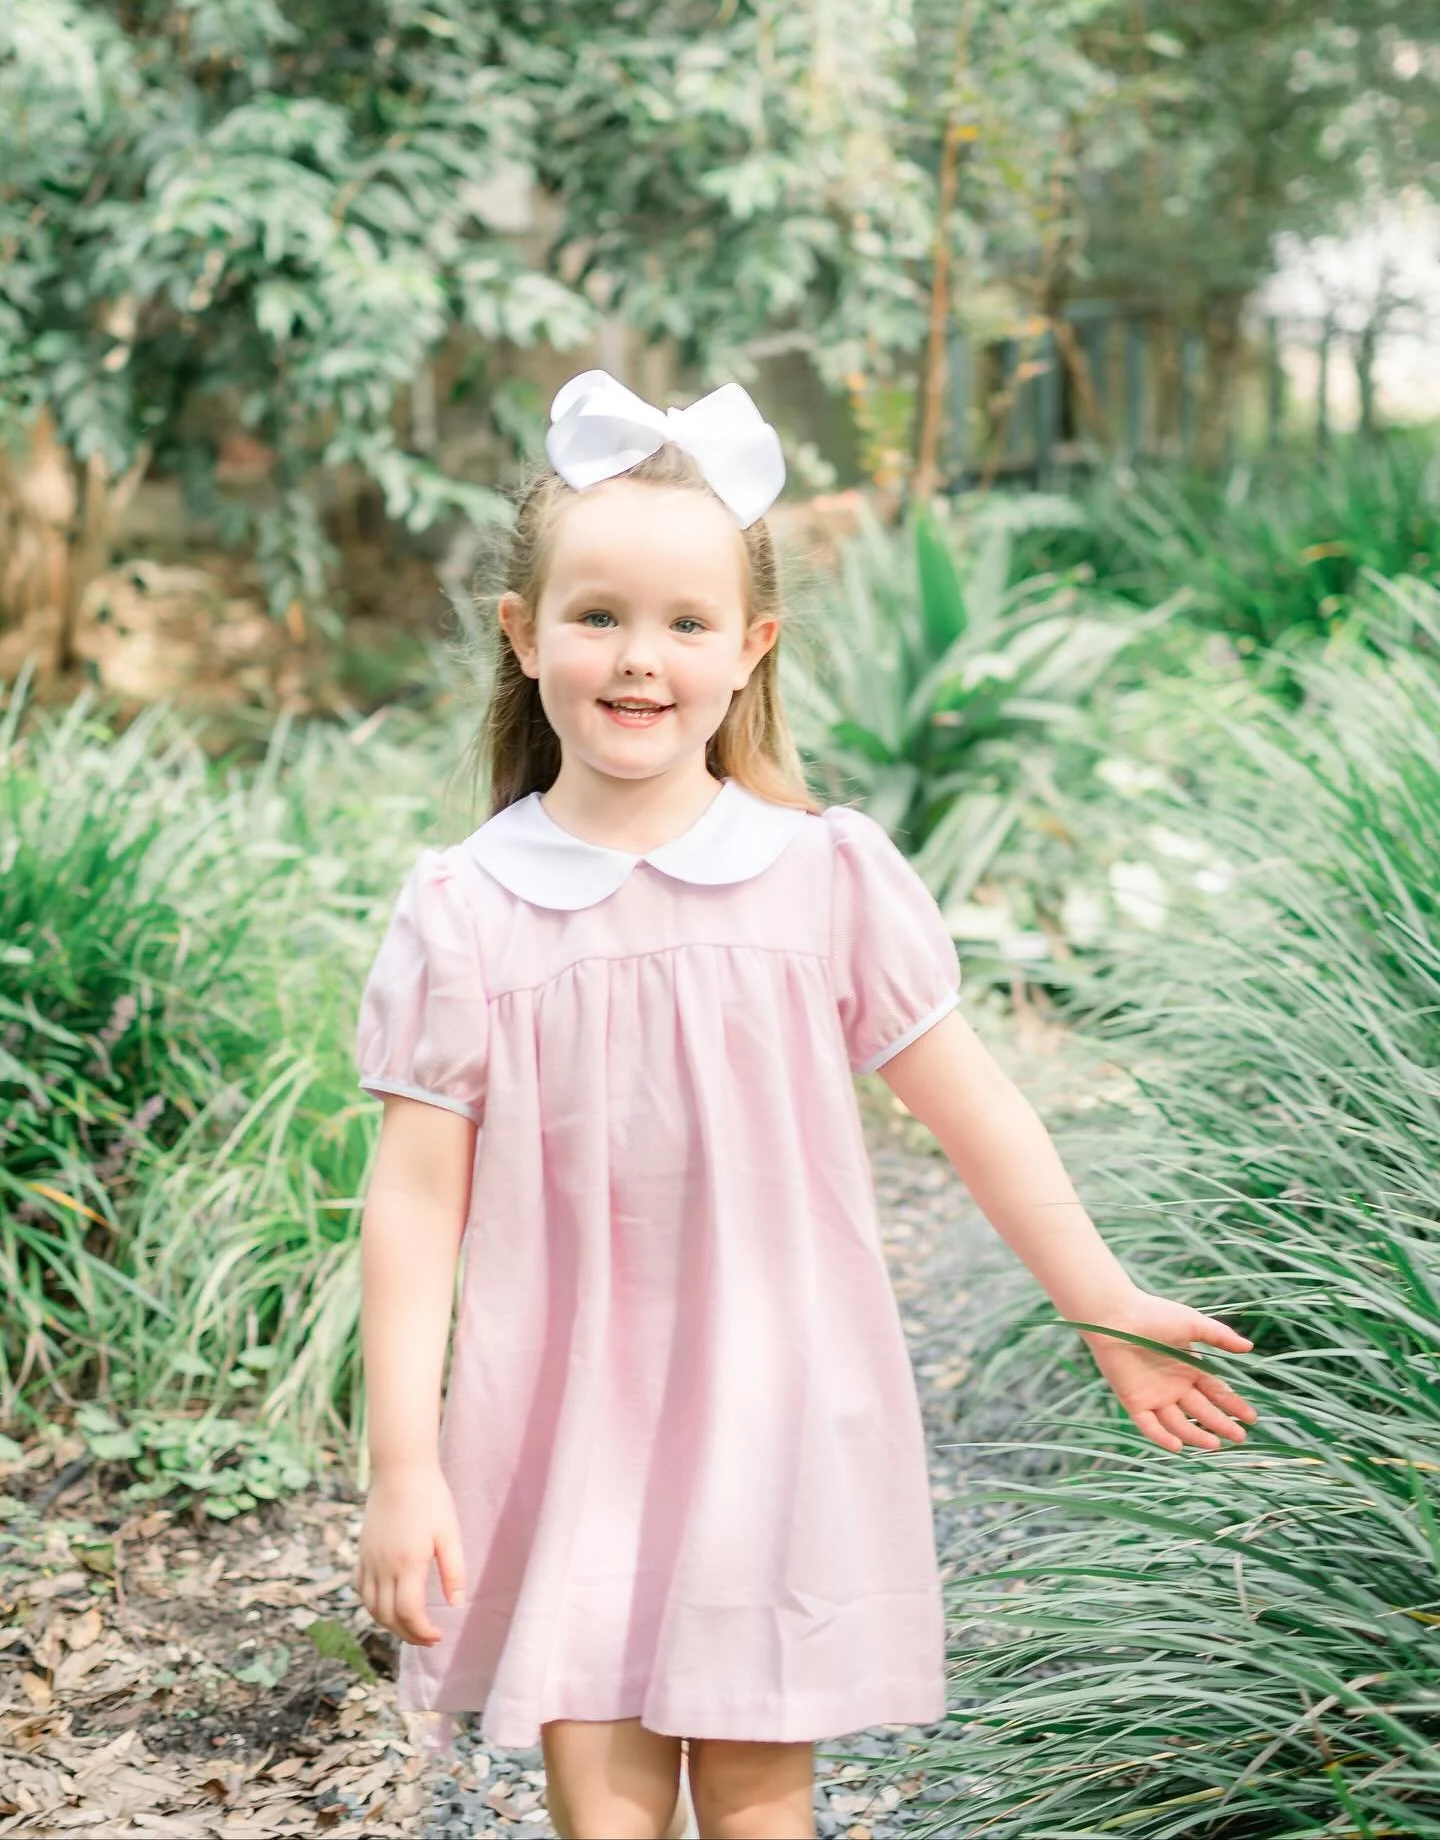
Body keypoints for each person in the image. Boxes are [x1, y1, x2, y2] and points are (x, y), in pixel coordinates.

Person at [351, 369, 1260, 1840]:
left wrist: (1100, 1298)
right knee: (604, 1795)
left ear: (749, 648)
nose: (639, 658)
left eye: (686, 623)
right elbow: (410, 1200)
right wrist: (403, 1463)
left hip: (770, 1410)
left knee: (765, 1798)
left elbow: (977, 1110)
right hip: (565, 1415)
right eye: (597, 616)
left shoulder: (820, 874)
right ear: (524, 637)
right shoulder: (467, 911)